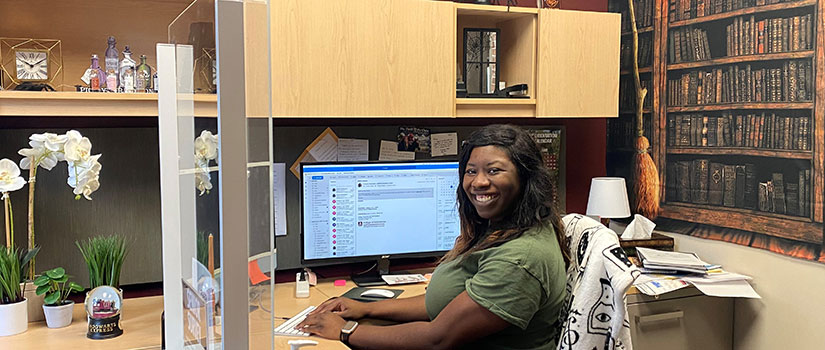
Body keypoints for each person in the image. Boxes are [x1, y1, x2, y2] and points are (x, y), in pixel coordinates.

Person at [298, 124, 570, 350]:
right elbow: (445, 303)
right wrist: (366, 309)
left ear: (526, 179)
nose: (478, 182)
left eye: (494, 170)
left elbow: (438, 338)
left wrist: (347, 332)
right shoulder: (503, 231)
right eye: (471, 171)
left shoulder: (519, 260)